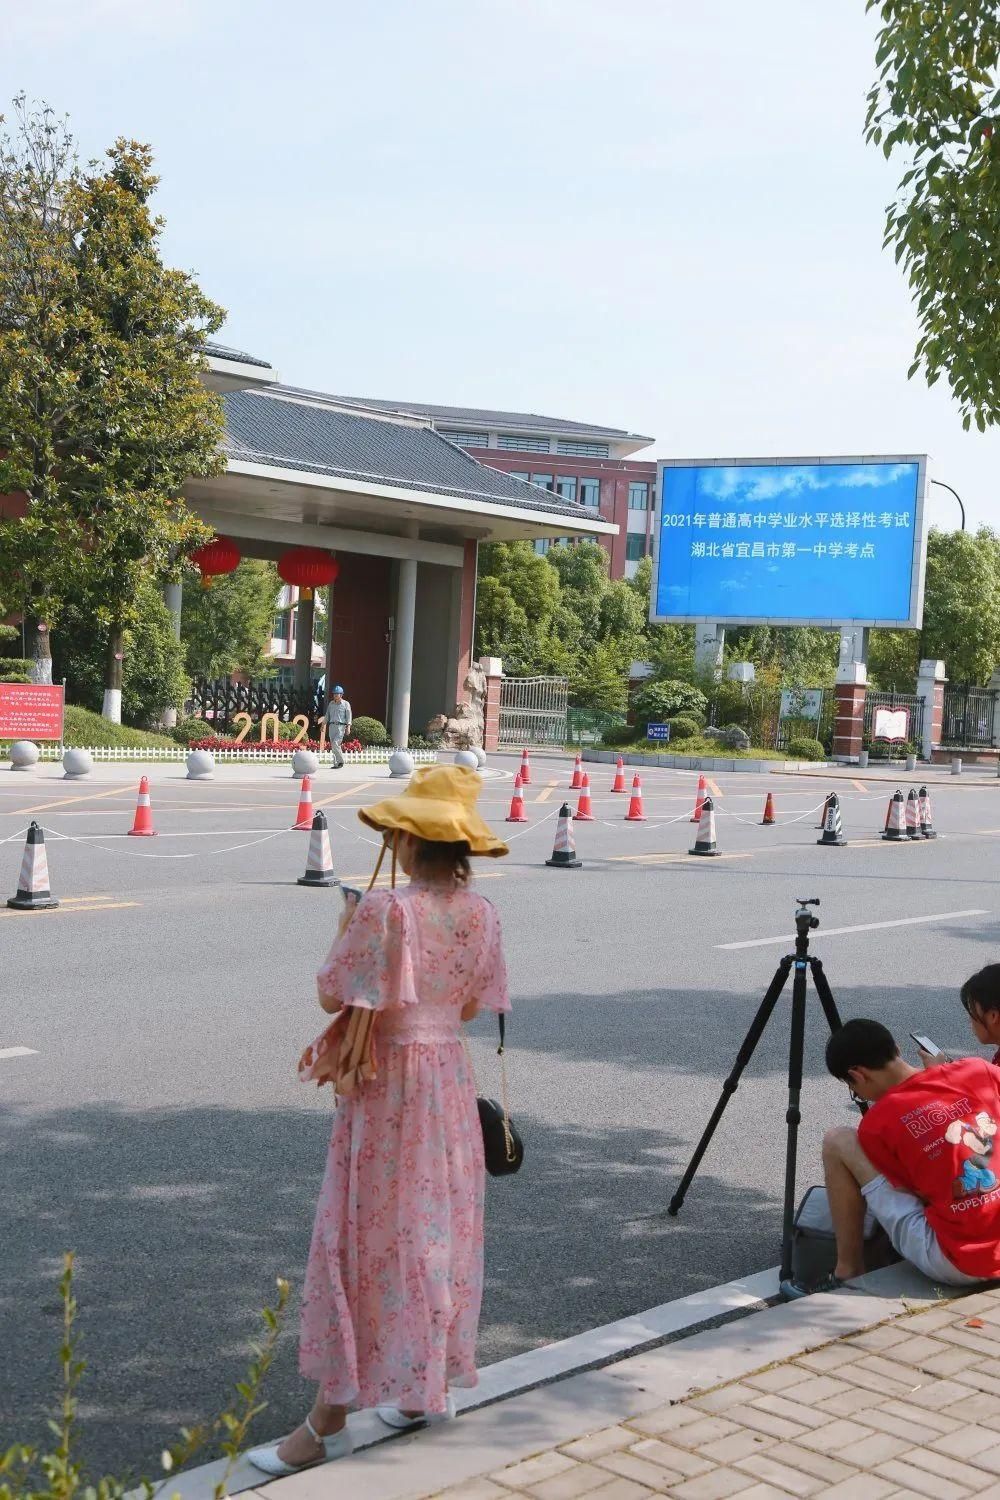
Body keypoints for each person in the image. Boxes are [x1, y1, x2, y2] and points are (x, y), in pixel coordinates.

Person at [248, 765, 510, 1476]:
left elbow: (334, 994)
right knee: (434, 1230)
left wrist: (346, 929)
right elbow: (466, 1009)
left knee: (363, 1234)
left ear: (403, 836)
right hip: (448, 1084)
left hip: (391, 1087)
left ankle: (328, 1419)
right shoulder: (483, 914)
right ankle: (425, 1387)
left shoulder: (385, 911)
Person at [781, 1018, 1000, 1299]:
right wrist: (947, 1079)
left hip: (961, 1263)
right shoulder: (977, 1069)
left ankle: (847, 1272)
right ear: (895, 1048)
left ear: (857, 1075)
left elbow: (912, 1194)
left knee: (838, 1140)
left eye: (853, 1088)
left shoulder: (878, 1122)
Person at [325, 685, 352, 769]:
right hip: (332, 726)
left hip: (341, 726)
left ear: (341, 694)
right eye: (334, 694)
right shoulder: (331, 703)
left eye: (337, 694)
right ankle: (336, 763)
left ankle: (340, 761)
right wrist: (323, 725)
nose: (335, 695)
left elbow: (349, 716)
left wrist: (348, 727)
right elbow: (327, 715)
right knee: (333, 746)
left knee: (336, 743)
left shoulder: (345, 704)